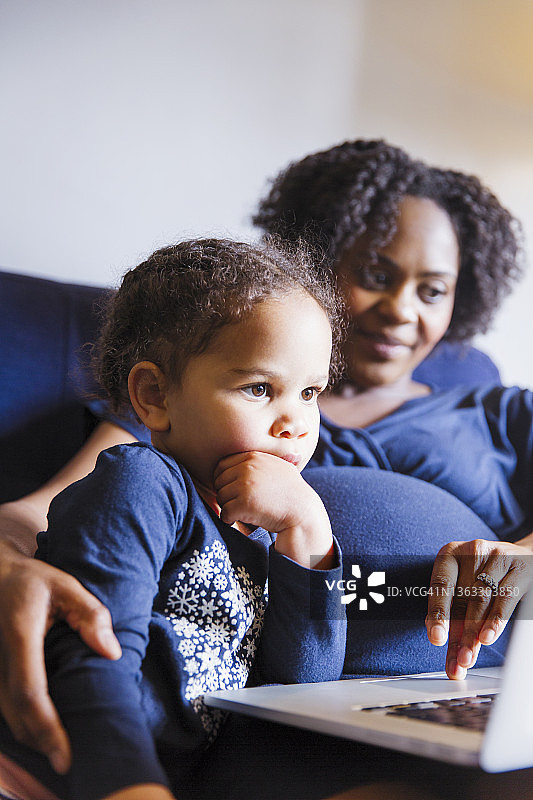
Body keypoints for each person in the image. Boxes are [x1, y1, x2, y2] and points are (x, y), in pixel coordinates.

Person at [0, 237, 348, 800]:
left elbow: (300, 690)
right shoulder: (142, 485)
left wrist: (308, 532)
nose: (295, 423)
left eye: (309, 392)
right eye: (259, 388)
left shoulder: (261, 534)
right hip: (58, 768)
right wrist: (128, 784)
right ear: (155, 395)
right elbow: (91, 651)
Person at [253, 138, 532, 682]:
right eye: (377, 277)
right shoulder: (233, 393)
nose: (401, 310)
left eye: (431, 291)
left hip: (475, 690)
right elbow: (52, 511)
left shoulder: (499, 412)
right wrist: (28, 563)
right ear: (315, 261)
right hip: (288, 689)